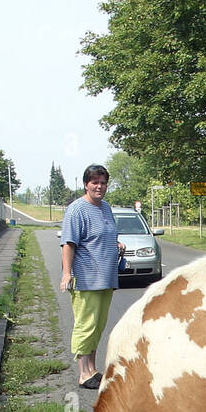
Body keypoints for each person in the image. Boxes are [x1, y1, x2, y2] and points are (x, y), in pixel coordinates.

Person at [59, 164, 125, 389]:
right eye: (95, 182)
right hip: (86, 279)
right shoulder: (77, 209)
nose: (99, 186)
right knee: (85, 325)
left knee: (98, 325)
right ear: (86, 184)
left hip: (106, 277)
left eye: (103, 182)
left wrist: (116, 244)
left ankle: (93, 369)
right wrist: (67, 273)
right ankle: (83, 373)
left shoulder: (105, 208)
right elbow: (68, 243)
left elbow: (100, 236)